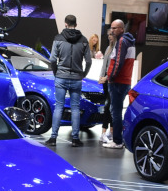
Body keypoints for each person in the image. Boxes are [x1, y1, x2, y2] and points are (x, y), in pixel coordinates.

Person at [46, 14, 92, 148]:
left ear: (65, 24)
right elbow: (89, 61)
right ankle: (75, 139)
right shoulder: (83, 40)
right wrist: (83, 74)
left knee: (59, 107)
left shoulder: (58, 38)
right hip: (77, 78)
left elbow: (52, 59)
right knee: (75, 108)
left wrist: (56, 73)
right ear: (76, 25)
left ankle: (53, 138)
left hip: (61, 76)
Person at [100, 19, 135, 149]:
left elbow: (118, 62)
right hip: (124, 81)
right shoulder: (129, 41)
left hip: (118, 82)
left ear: (121, 29)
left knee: (115, 112)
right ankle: (119, 139)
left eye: (115, 28)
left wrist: (110, 77)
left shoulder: (121, 41)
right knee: (117, 111)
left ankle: (117, 141)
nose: (112, 30)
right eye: (111, 28)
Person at [98, 28, 115, 144]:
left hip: (112, 81)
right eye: (108, 34)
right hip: (105, 81)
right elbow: (104, 65)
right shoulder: (108, 48)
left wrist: (107, 78)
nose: (109, 36)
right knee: (108, 106)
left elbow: (114, 68)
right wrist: (101, 77)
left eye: (111, 34)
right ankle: (105, 133)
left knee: (109, 106)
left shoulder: (117, 49)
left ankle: (107, 132)